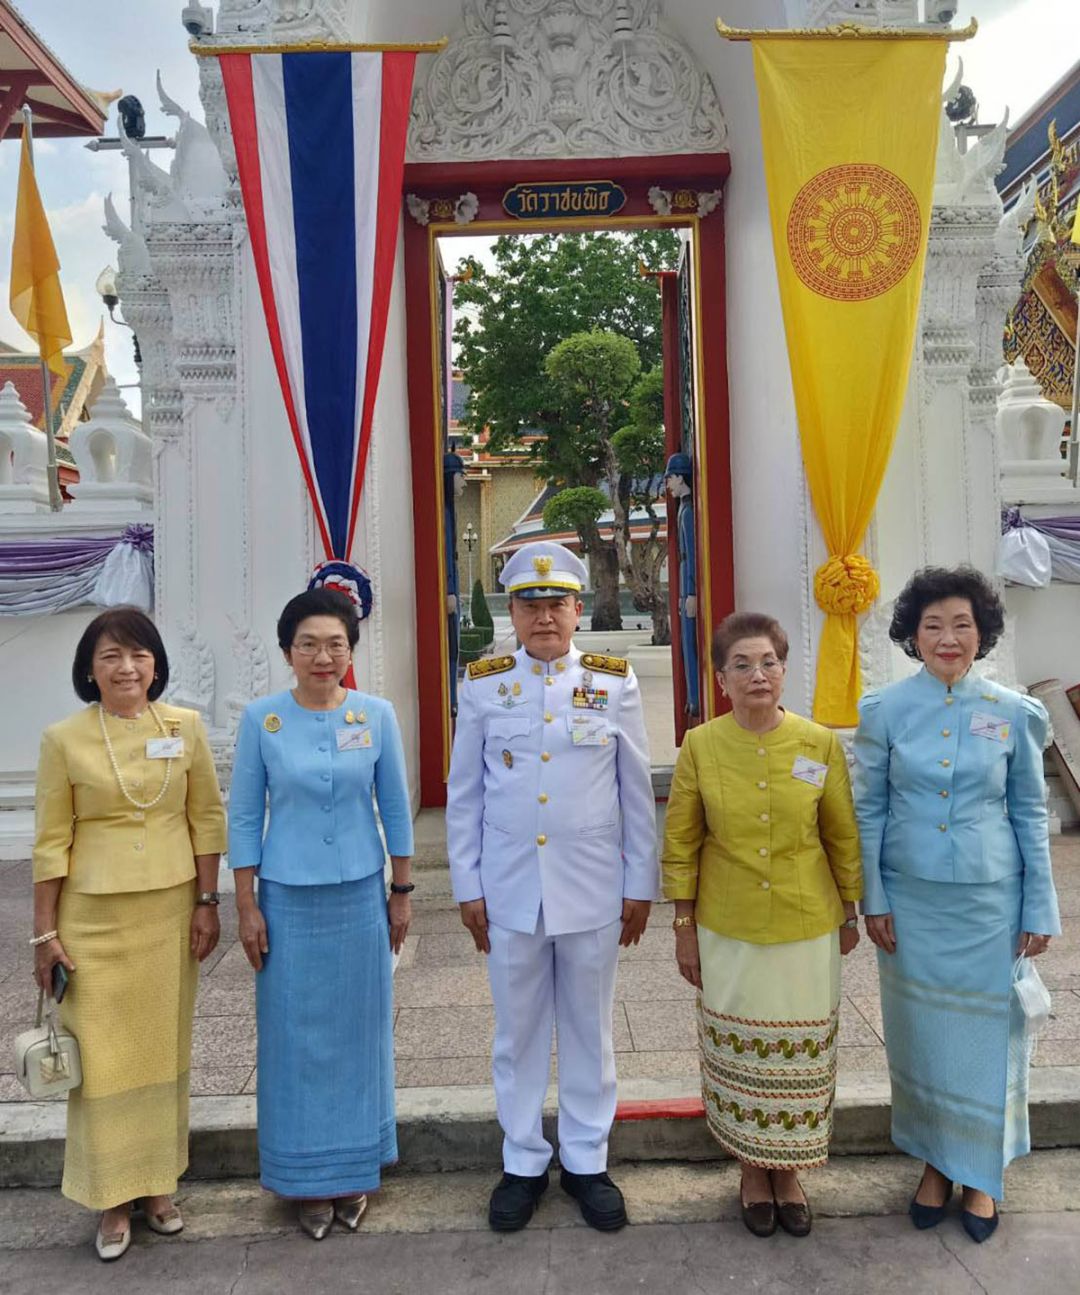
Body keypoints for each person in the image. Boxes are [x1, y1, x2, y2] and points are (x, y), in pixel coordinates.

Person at [447, 540, 657, 1233]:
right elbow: (464, 794)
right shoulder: (481, 683)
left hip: (593, 886)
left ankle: (588, 1160)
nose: (544, 616)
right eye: (530, 604)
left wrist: (640, 882)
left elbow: (634, 789)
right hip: (510, 889)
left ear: (576, 610)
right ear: (512, 610)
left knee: (590, 1027)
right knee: (519, 1030)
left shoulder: (614, 680)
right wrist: (467, 884)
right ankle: (523, 1160)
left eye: (557, 603)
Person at [854, 566, 1060, 1244]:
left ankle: (981, 1174)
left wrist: (1040, 908)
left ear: (983, 633)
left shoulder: (1014, 712)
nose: (948, 637)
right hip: (910, 904)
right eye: (933, 624)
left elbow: (1031, 810)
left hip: (989, 903)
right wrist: (873, 897)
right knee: (923, 1037)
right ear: (912, 635)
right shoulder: (884, 711)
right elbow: (872, 807)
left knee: (987, 1039)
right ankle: (936, 1165)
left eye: (962, 624)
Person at [32, 608, 226, 1262]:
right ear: (90, 667)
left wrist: (208, 901)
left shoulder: (185, 727)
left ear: (156, 664)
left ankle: (158, 1186)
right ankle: (111, 1197)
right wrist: (43, 935)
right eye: (111, 655)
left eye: (139, 655)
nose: (126, 667)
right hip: (92, 921)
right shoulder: (64, 739)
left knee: (162, 1052)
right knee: (104, 1064)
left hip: (170, 914)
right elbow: (50, 842)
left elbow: (207, 820)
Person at [662, 612, 862, 1239]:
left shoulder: (818, 744)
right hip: (729, 926)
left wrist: (851, 908)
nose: (758, 675)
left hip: (807, 926)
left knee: (802, 1055)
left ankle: (791, 1172)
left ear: (784, 670)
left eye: (770, 662)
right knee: (742, 1052)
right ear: (721, 679)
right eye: (742, 665)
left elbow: (841, 833)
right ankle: (753, 1170)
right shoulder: (700, 745)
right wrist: (684, 924)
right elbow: (681, 841)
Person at [228, 587, 414, 1240]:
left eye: (335, 643)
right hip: (286, 896)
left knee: (359, 1035)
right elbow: (246, 814)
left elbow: (394, 802)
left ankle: (356, 1170)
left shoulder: (377, 714)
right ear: (287, 651)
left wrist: (401, 888)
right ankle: (304, 1178)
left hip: (360, 894)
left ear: (351, 650)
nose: (322, 655)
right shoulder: (262, 719)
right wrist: (245, 903)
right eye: (308, 643)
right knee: (293, 1039)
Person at [665, 452, 699, 718]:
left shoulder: (688, 512)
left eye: (670, 479)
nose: (668, 485)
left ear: (679, 477)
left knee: (691, 642)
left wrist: (692, 592)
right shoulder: (684, 509)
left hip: (689, 574)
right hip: (683, 569)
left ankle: (696, 696)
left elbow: (693, 552)